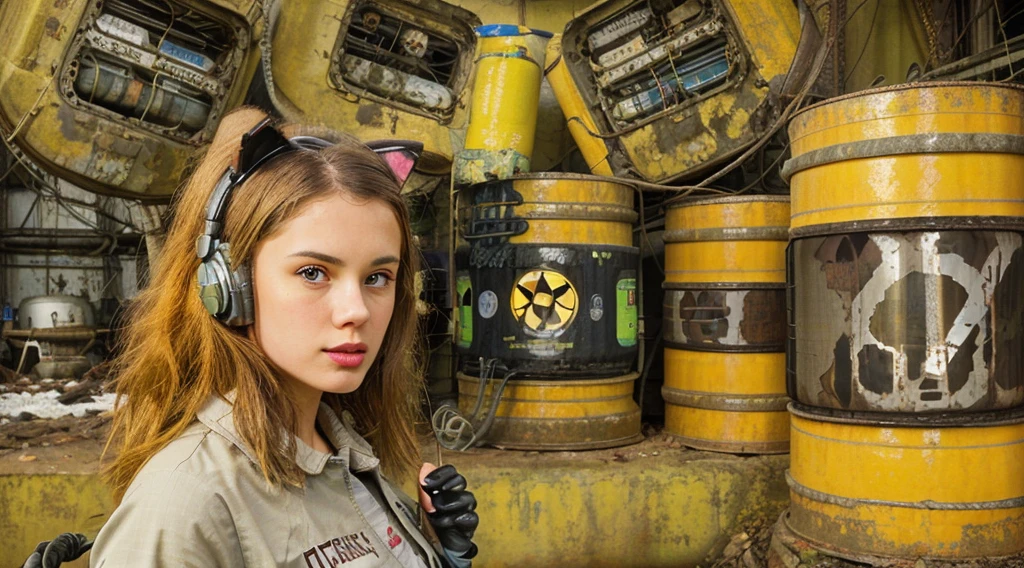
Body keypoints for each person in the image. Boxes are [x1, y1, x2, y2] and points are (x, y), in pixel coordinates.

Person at [87, 107, 479, 567]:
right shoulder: (186, 503)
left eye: (378, 277)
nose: (355, 311)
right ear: (230, 286)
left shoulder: (344, 443)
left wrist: (436, 553)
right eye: (313, 272)